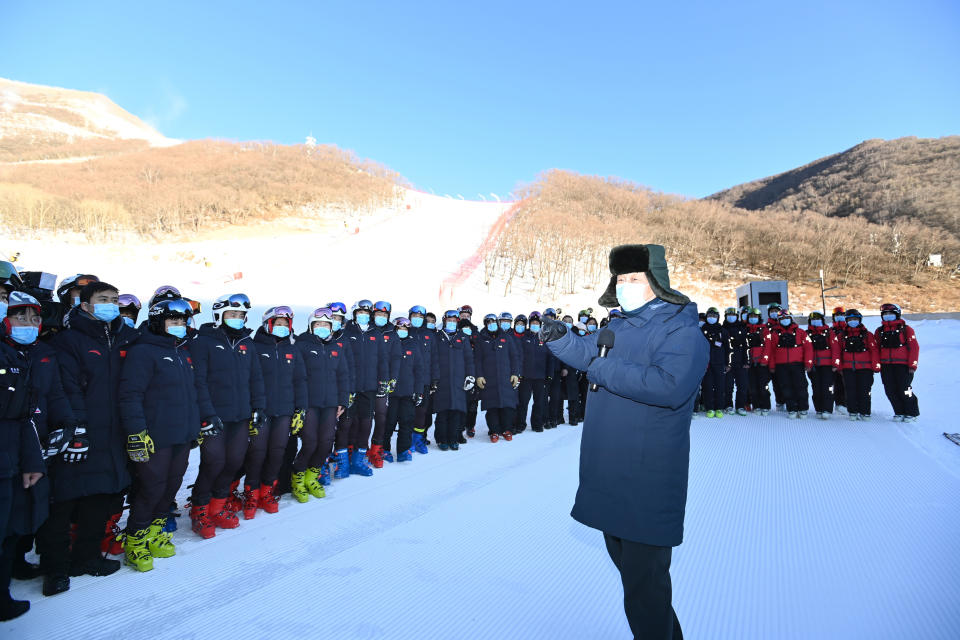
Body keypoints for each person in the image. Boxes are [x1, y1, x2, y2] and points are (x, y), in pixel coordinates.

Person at [541, 243, 707, 640]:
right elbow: (590, 353)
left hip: (645, 475)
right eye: (620, 279)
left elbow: (669, 386)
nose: (626, 285)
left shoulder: (682, 331)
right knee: (641, 586)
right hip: (609, 468)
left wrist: (602, 367)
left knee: (644, 590)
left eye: (635, 278)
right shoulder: (619, 326)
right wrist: (562, 339)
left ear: (657, 283)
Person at [40, 280, 138, 595]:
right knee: (64, 501)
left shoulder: (127, 337)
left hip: (114, 433)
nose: (110, 304)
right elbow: (65, 386)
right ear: (84, 305)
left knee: (102, 496)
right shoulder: (69, 341)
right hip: (79, 432)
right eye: (102, 299)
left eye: (113, 299)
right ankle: (54, 568)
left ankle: (87, 557)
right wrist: (76, 427)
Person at [117, 298, 199, 571]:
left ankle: (155, 532)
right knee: (151, 488)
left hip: (181, 434)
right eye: (173, 321)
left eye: (183, 322)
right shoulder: (143, 352)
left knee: (171, 486)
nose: (179, 326)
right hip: (155, 436)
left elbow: (191, 395)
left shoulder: (181, 352)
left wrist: (195, 426)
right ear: (157, 321)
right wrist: (136, 432)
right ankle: (135, 541)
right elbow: (130, 396)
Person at [190, 293, 266, 537]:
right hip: (215, 415)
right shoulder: (204, 341)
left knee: (233, 462)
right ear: (218, 315)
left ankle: (217, 506)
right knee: (214, 461)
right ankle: (200, 509)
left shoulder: (246, 342)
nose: (237, 319)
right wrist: (206, 413)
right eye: (232, 314)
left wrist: (258, 407)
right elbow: (198, 381)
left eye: (241, 315)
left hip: (240, 415)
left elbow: (255, 377)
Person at [0, 290, 47, 620]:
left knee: (8, 532)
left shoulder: (16, 358)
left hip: (9, 462)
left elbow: (21, 418)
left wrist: (31, 461)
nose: (28, 325)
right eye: (20, 316)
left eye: (34, 319)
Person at [248, 306, 308, 515]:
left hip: (284, 411)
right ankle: (251, 493)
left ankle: (267, 490)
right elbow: (248, 380)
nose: (282, 328)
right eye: (278, 324)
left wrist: (300, 408)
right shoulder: (254, 347)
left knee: (277, 452)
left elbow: (300, 381)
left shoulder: (291, 350)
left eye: (285, 324)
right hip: (261, 411)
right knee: (257, 453)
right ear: (268, 324)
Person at [294, 308, 349, 502]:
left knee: (326, 443)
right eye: (318, 325)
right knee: (310, 442)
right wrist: (299, 404)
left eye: (326, 325)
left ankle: (312, 477)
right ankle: (298, 478)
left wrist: (343, 401)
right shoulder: (301, 345)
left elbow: (343, 375)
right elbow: (297, 377)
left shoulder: (336, 347)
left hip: (330, 404)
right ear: (311, 326)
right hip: (309, 403)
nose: (322, 328)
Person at [343, 300, 380, 476]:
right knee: (347, 423)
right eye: (360, 312)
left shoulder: (375, 333)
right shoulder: (346, 331)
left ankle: (359, 460)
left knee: (366, 423)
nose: (364, 315)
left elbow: (382, 359)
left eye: (367, 312)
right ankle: (343, 461)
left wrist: (384, 380)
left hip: (370, 386)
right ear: (354, 313)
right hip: (351, 386)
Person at [382, 317, 425, 461]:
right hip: (391, 392)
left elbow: (419, 370)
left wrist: (419, 391)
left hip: (408, 391)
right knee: (389, 422)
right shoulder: (388, 344)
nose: (402, 331)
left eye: (405, 329)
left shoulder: (413, 345)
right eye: (400, 329)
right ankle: (384, 449)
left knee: (407, 421)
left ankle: (403, 450)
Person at [433, 310, 475, 450]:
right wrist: (435, 377)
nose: (451, 323)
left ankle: (454, 438)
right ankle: (441, 439)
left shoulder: (462, 337)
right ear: (444, 321)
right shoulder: (438, 337)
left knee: (457, 411)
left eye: (453, 321)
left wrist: (470, 376)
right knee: (443, 411)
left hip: (459, 380)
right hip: (442, 380)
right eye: (448, 320)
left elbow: (469, 358)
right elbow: (433, 359)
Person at [475, 313, 521, 442]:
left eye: (493, 322)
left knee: (507, 406)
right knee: (492, 407)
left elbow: (514, 357)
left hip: (506, 377)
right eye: (488, 322)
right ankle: (494, 431)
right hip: (489, 379)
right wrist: (479, 376)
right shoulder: (481, 339)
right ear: (485, 325)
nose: (492, 324)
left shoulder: (506, 337)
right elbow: (477, 359)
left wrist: (515, 373)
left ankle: (507, 429)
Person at [368, 301, 401, 468]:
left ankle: (377, 448)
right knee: (362, 418)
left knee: (381, 416)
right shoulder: (367, 329)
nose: (381, 317)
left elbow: (396, 358)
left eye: (384, 315)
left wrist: (392, 378)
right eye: (378, 314)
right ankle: (358, 449)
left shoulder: (392, 333)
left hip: (383, 381)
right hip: (365, 381)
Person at [874, 303, 920, 422]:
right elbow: (876, 349)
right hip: (886, 366)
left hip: (903, 366)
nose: (888, 316)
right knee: (890, 390)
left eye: (891, 314)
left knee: (905, 389)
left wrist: (912, 365)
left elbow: (914, 348)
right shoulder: (879, 331)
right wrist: (876, 364)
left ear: (897, 314)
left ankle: (912, 412)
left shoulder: (906, 330)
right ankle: (899, 412)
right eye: (885, 314)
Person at [766, 310, 814, 419]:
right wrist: (772, 365)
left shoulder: (801, 332)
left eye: (787, 318)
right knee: (786, 387)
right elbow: (771, 351)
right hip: (781, 365)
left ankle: (803, 408)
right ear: (779, 321)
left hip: (797, 364)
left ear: (791, 318)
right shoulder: (774, 334)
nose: (785, 320)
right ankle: (791, 408)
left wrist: (808, 363)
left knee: (801, 386)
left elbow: (808, 348)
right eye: (782, 319)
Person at [838, 309, 880, 421]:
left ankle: (865, 411)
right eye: (850, 319)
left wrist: (876, 365)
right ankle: (852, 411)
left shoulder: (868, 335)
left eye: (855, 319)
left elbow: (874, 350)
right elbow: (838, 352)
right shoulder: (842, 336)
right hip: (848, 368)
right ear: (846, 321)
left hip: (865, 368)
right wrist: (839, 367)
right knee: (850, 390)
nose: (853, 321)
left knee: (865, 390)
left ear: (860, 320)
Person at [517, 311, 554, 433]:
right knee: (523, 402)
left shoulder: (545, 338)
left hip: (540, 376)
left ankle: (537, 423)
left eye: (537, 323)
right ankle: (520, 423)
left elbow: (550, 358)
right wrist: (519, 372)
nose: (535, 325)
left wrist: (549, 374)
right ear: (529, 324)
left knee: (539, 402)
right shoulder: (524, 338)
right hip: (525, 376)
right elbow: (519, 357)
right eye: (533, 323)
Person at [408, 305, 438, 454]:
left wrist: (435, 379)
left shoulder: (430, 335)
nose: (418, 319)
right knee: (408, 412)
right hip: (408, 380)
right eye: (415, 316)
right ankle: (407, 441)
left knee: (422, 412)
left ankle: (418, 440)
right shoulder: (405, 332)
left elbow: (435, 359)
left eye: (421, 317)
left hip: (425, 380)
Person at [806, 311, 841, 419]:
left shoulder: (829, 332)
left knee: (827, 388)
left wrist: (836, 363)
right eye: (813, 320)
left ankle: (827, 409)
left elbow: (836, 348)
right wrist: (807, 364)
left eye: (818, 319)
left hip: (828, 366)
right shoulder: (807, 333)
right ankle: (819, 409)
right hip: (814, 366)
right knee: (816, 388)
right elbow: (805, 349)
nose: (815, 321)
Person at [699, 307, 730, 419]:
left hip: (719, 362)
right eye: (710, 316)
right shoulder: (702, 330)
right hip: (706, 363)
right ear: (706, 317)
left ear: (718, 317)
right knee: (707, 386)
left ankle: (719, 408)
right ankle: (709, 408)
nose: (712, 318)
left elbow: (727, 348)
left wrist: (727, 363)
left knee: (720, 386)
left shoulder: (723, 331)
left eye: (714, 316)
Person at [745, 307, 773, 416]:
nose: (753, 319)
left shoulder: (764, 330)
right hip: (750, 363)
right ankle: (756, 405)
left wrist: (764, 360)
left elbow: (768, 346)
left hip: (762, 363)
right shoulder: (746, 329)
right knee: (752, 386)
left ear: (759, 318)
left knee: (763, 386)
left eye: (755, 317)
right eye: (751, 317)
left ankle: (765, 406)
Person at [723, 307, 750, 416]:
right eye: (729, 315)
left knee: (742, 385)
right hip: (728, 363)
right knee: (728, 386)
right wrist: (725, 363)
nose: (731, 317)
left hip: (740, 362)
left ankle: (740, 406)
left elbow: (746, 346)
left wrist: (746, 361)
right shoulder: (723, 329)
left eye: (733, 315)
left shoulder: (742, 329)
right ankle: (728, 405)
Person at [830, 307, 848, 415]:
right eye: (837, 315)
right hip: (834, 362)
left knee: (849, 384)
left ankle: (848, 403)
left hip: (848, 361)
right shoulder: (831, 331)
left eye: (841, 314)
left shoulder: (848, 329)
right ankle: (839, 404)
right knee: (837, 383)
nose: (839, 317)